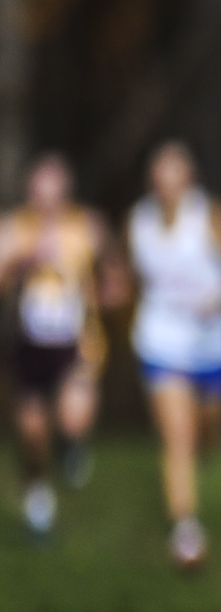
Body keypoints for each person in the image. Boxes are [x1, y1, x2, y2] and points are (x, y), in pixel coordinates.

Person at [127, 141, 221, 570]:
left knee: (207, 434)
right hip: (161, 341)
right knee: (178, 436)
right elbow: (135, 276)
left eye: (176, 175)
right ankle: (186, 530)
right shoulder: (138, 222)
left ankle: (206, 449)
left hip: (214, 344)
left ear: (189, 180)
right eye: (160, 175)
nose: (167, 185)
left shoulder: (210, 217)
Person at [1, 153, 128, 539]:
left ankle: (72, 445)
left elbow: (115, 275)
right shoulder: (13, 229)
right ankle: (38, 503)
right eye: (40, 192)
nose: (46, 201)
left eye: (54, 192)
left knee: (74, 416)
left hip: (76, 342)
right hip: (26, 346)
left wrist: (111, 293)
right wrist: (23, 261)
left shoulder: (87, 227)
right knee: (33, 433)